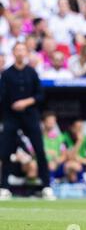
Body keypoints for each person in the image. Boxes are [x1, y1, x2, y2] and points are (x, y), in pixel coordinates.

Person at [0, 42, 55, 200]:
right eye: (17, 49)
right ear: (13, 52)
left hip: (30, 116)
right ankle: (4, 187)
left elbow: (40, 95)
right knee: (6, 152)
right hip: (11, 116)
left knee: (39, 150)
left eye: (22, 50)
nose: (20, 52)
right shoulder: (7, 74)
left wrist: (26, 102)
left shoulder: (32, 72)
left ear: (26, 53)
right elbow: (2, 95)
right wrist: (13, 104)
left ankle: (46, 186)